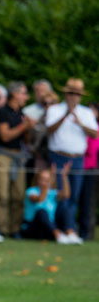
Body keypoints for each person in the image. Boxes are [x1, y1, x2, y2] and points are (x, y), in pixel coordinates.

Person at [45, 78, 98, 231]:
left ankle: (70, 228)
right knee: (59, 193)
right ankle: (59, 228)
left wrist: (80, 123)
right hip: (58, 156)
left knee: (74, 195)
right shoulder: (54, 110)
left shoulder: (86, 112)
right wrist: (65, 115)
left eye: (76, 94)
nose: (73, 97)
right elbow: (49, 130)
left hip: (77, 159)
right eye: (70, 93)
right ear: (65, 94)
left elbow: (94, 133)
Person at [0, 81, 33, 236]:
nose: (26, 97)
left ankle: (15, 229)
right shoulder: (2, 112)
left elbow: (26, 140)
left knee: (18, 195)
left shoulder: (21, 114)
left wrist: (28, 128)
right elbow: (5, 135)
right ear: (14, 94)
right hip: (3, 155)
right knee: (3, 195)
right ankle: (2, 228)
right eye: (24, 93)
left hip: (18, 157)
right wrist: (24, 127)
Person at [21, 164, 82, 244]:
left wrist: (64, 176)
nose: (44, 182)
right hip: (33, 227)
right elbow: (40, 200)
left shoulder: (52, 193)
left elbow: (66, 195)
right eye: (42, 179)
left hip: (48, 227)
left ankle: (70, 233)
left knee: (65, 208)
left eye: (47, 180)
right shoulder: (31, 191)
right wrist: (46, 186)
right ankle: (58, 235)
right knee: (41, 211)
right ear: (37, 180)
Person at [78, 102, 98, 241]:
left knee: (88, 202)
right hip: (77, 168)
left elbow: (91, 151)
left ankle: (87, 233)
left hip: (90, 169)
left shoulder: (94, 129)